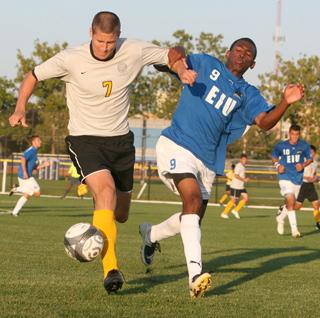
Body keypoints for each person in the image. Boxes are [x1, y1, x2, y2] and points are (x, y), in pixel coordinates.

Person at [8, 11, 194, 294]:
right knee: (105, 192)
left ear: (118, 36)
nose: (105, 47)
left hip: (120, 142)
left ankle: (109, 216)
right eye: (100, 41)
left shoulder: (133, 50)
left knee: (120, 214)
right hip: (85, 140)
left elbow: (172, 53)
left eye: (110, 41)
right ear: (90, 33)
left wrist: (181, 70)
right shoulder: (70, 59)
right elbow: (32, 75)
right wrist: (21, 105)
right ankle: (111, 269)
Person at [138, 37, 305, 299]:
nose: (242, 54)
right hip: (177, 144)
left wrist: (285, 102)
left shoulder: (248, 93)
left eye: (248, 53)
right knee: (192, 200)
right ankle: (195, 275)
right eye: (238, 49)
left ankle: (151, 234)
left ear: (253, 63)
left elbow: (264, 121)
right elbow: (176, 53)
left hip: (206, 159)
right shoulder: (205, 63)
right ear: (227, 52)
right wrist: (180, 66)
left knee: (191, 217)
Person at [273, 124, 312, 238]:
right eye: (293, 134)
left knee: (291, 204)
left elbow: (310, 159)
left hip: (297, 178)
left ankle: (280, 218)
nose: (294, 137)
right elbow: (274, 156)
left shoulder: (304, 146)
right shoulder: (281, 145)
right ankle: (295, 230)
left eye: (297, 134)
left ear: (299, 135)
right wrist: (277, 165)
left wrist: (303, 164)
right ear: (289, 134)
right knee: (290, 198)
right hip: (284, 176)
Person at [9, 135, 49, 216]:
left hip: (24, 175)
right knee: (37, 193)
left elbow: (35, 168)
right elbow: (23, 158)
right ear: (33, 142)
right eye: (38, 140)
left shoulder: (34, 151)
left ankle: (14, 212)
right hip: (25, 176)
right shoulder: (32, 150)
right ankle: (17, 188)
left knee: (26, 195)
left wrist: (44, 165)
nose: (40, 142)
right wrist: (25, 172)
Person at [294, 145, 320, 230]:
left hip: (310, 186)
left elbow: (314, 174)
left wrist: (316, 178)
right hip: (302, 185)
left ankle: (318, 223)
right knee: (297, 207)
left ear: (315, 153)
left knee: (316, 204)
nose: (311, 153)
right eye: (309, 152)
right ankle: (284, 208)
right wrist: (307, 178)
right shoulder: (302, 162)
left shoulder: (315, 163)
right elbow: (297, 174)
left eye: (312, 152)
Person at [221, 154, 249, 219]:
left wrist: (244, 180)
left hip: (241, 186)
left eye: (245, 159)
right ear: (241, 159)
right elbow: (236, 175)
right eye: (243, 159)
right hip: (236, 186)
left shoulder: (243, 166)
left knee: (246, 198)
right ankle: (224, 213)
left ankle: (235, 210)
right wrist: (244, 179)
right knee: (233, 200)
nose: (245, 161)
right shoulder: (238, 166)